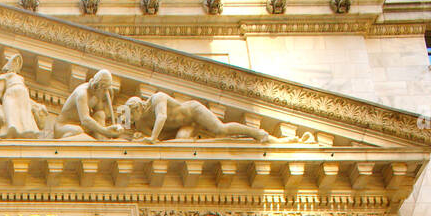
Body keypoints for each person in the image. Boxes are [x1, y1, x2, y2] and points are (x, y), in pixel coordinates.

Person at [117, 92, 274, 143]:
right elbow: (158, 140)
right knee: (180, 144)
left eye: (133, 116)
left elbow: (162, 117)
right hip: (185, 126)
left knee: (220, 129)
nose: (133, 122)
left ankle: (256, 133)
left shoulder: (157, 98)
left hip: (193, 112)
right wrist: (140, 137)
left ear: (137, 107)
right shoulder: (141, 122)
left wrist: (151, 137)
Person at [53, 69, 121, 140]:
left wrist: (109, 100)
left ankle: (100, 146)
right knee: (77, 130)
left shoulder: (96, 94)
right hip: (63, 127)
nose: (105, 93)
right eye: (104, 90)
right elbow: (85, 120)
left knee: (100, 114)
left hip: (82, 126)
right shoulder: (82, 94)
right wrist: (105, 131)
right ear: (97, 87)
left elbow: (102, 116)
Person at [0, 51, 45, 139]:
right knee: (10, 116)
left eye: (18, 62)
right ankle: (10, 132)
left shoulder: (21, 79)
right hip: (11, 96)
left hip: (22, 99)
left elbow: (27, 97)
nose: (16, 64)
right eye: (14, 61)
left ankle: (25, 132)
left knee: (24, 117)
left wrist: (37, 105)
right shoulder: (5, 76)